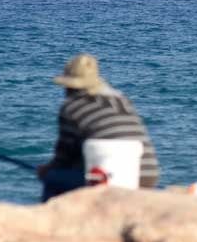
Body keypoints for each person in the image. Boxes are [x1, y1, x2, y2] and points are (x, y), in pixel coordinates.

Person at [37, 53, 160, 201]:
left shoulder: (71, 107)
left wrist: (46, 170)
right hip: (146, 175)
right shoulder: (121, 100)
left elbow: (64, 157)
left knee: (53, 178)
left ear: (69, 86)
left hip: (105, 179)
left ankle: (54, 220)